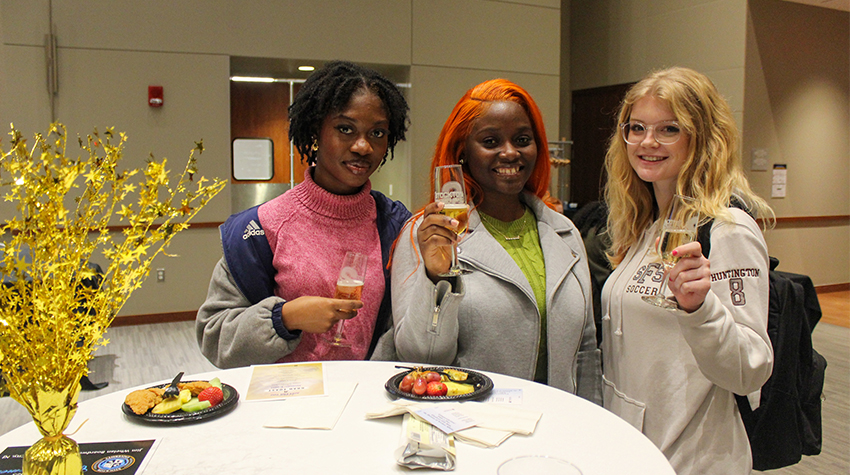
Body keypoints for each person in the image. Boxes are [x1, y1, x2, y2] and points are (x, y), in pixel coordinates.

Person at [600, 67, 774, 474]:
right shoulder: (645, 226)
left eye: (669, 129)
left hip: (694, 459)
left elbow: (751, 369)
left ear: (702, 138)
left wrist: (701, 311)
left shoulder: (728, 229)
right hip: (633, 452)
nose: (647, 142)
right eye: (637, 127)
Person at [391, 79, 602, 402]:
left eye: (522, 140)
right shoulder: (429, 234)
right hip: (470, 427)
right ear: (462, 152)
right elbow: (420, 358)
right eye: (490, 141)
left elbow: (585, 349)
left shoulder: (565, 233)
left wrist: (592, 426)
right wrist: (436, 278)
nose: (509, 152)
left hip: (557, 424)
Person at [197, 60, 411, 368]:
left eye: (377, 133)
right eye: (345, 129)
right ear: (315, 132)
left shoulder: (396, 225)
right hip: (285, 405)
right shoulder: (261, 227)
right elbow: (214, 337)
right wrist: (285, 318)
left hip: (367, 400)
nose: (363, 146)